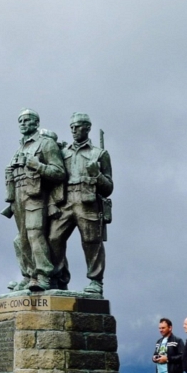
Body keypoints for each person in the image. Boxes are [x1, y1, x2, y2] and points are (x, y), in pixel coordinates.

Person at [48, 112, 113, 294]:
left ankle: (95, 281)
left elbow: (108, 187)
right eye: (72, 127)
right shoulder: (63, 152)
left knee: (92, 242)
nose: (74, 130)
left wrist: (97, 175)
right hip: (66, 200)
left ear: (88, 128)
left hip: (88, 202)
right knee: (54, 238)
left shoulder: (99, 154)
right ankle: (59, 278)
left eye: (78, 126)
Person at [4, 108, 66, 292]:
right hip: (18, 196)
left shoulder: (46, 144)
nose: (23, 124)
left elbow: (59, 172)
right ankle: (29, 275)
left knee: (34, 234)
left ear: (36, 123)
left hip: (36, 195)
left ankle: (44, 275)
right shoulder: (20, 148)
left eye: (27, 120)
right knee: (22, 239)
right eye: (20, 121)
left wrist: (36, 165)